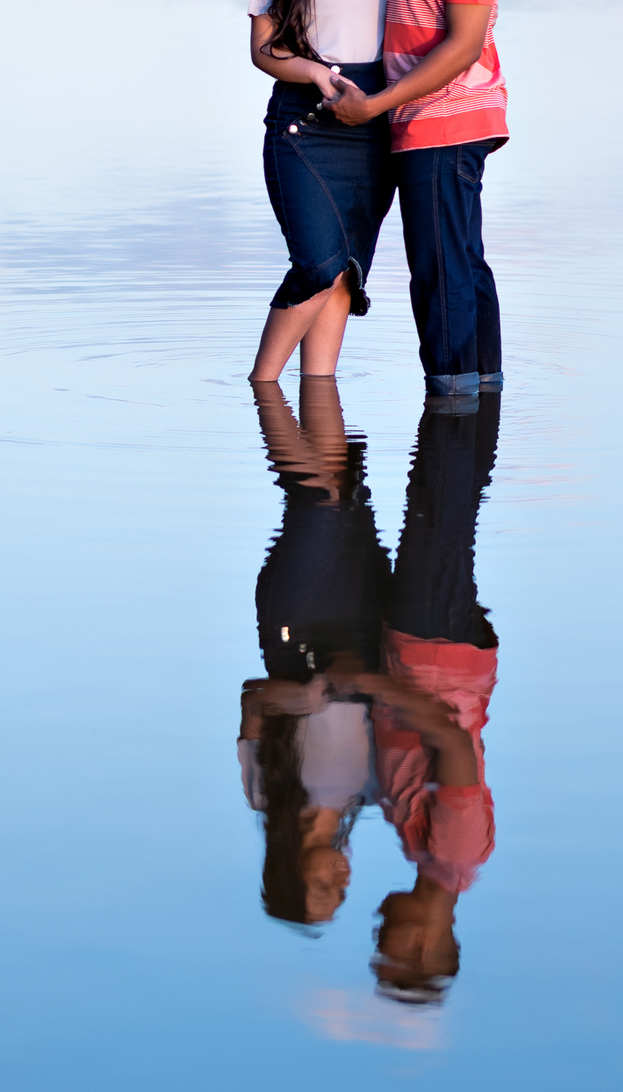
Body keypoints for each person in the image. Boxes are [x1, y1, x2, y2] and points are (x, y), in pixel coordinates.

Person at [324, 0, 510, 402]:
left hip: (445, 121)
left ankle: (454, 406)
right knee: (459, 263)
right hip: (429, 122)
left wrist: (376, 104)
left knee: (442, 272)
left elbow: (463, 46)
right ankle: (476, 411)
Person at [331, 393, 501, 1001]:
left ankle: (468, 398)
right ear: (428, 946)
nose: (379, 932)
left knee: (438, 506)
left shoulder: (426, 857)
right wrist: (367, 684)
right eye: (390, 948)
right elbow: (450, 742)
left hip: (427, 650)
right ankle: (461, 396)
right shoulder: (454, 855)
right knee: (439, 504)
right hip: (437, 652)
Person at [248, 0, 400, 382]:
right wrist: (315, 72)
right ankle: (263, 388)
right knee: (317, 265)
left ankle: (318, 397)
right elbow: (263, 50)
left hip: (374, 130)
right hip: (304, 129)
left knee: (344, 276)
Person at [238, 379, 391, 927]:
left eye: (324, 886)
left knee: (317, 502)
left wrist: (310, 696)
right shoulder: (371, 795)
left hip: (295, 630)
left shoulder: (264, 795)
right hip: (362, 622)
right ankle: (321, 353)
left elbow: (253, 700)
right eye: (340, 891)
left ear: (289, 869)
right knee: (344, 485)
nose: (342, 879)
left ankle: (266, 388)